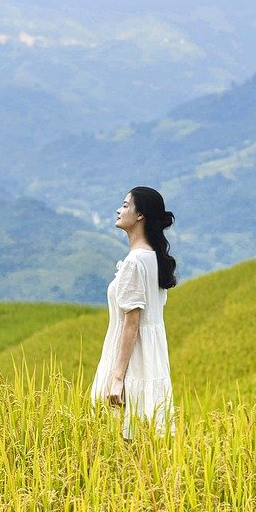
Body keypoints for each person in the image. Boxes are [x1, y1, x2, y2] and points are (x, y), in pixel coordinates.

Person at [90, 186, 177, 439]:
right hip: (151, 358)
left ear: (140, 216)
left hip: (132, 360)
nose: (119, 209)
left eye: (126, 205)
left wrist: (118, 378)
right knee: (144, 437)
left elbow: (132, 324)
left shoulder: (134, 263)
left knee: (119, 437)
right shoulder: (153, 258)